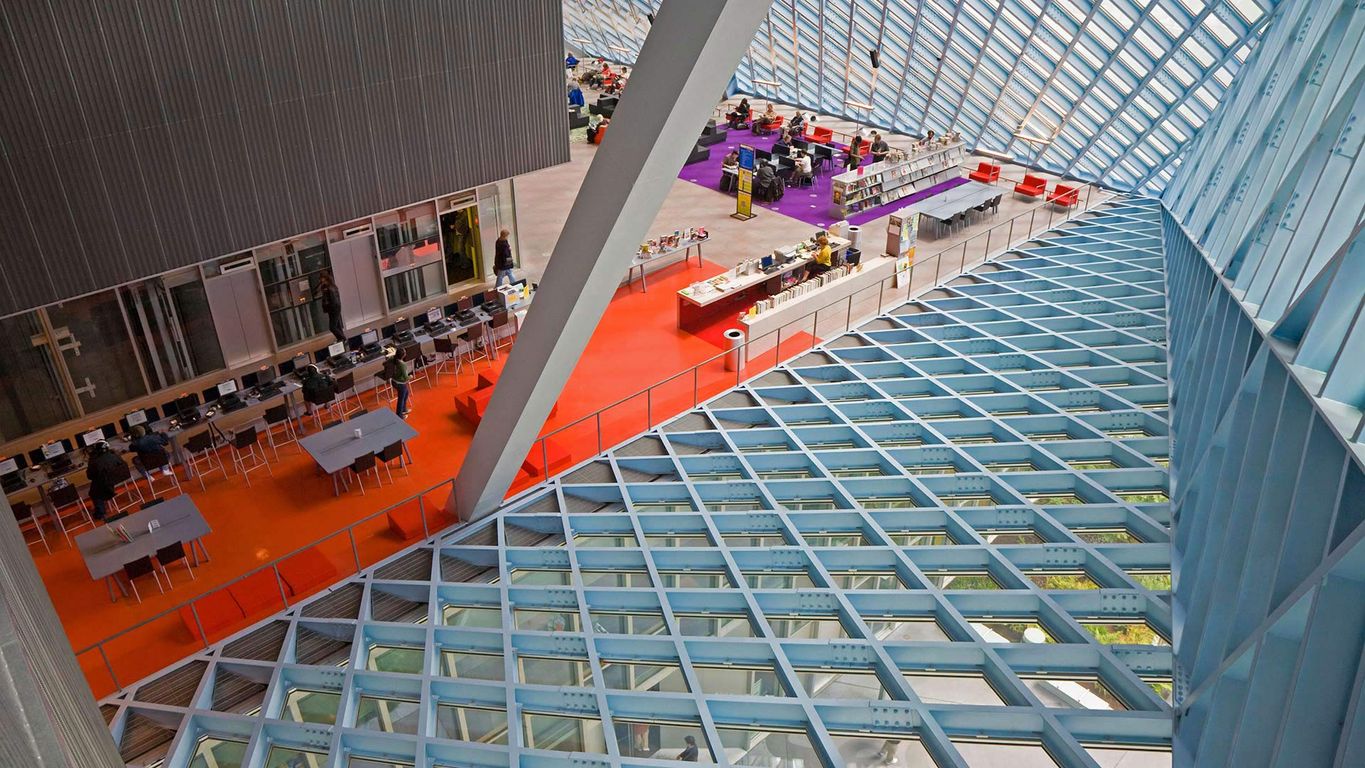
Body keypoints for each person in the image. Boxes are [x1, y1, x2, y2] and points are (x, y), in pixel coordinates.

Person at [86, 441, 126, 521]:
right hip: (118, 479)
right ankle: (108, 495)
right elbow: (123, 464)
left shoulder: (95, 462)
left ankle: (101, 512)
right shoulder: (114, 456)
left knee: (94, 492)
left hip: (106, 483)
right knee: (98, 484)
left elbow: (90, 476)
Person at [316, 272, 344, 342]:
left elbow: (333, 300)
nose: (320, 280)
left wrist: (331, 308)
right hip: (333, 308)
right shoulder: (329, 286)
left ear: (324, 278)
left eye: (321, 279)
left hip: (334, 309)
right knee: (337, 325)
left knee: (332, 327)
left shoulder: (329, 288)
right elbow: (315, 292)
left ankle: (342, 338)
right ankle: (341, 339)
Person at [385, 347, 412, 418]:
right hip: (400, 384)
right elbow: (406, 378)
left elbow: (384, 363)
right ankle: (399, 415)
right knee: (401, 399)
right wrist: (411, 377)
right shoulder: (402, 365)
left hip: (394, 381)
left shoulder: (393, 359)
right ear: (403, 355)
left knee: (406, 394)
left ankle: (403, 409)